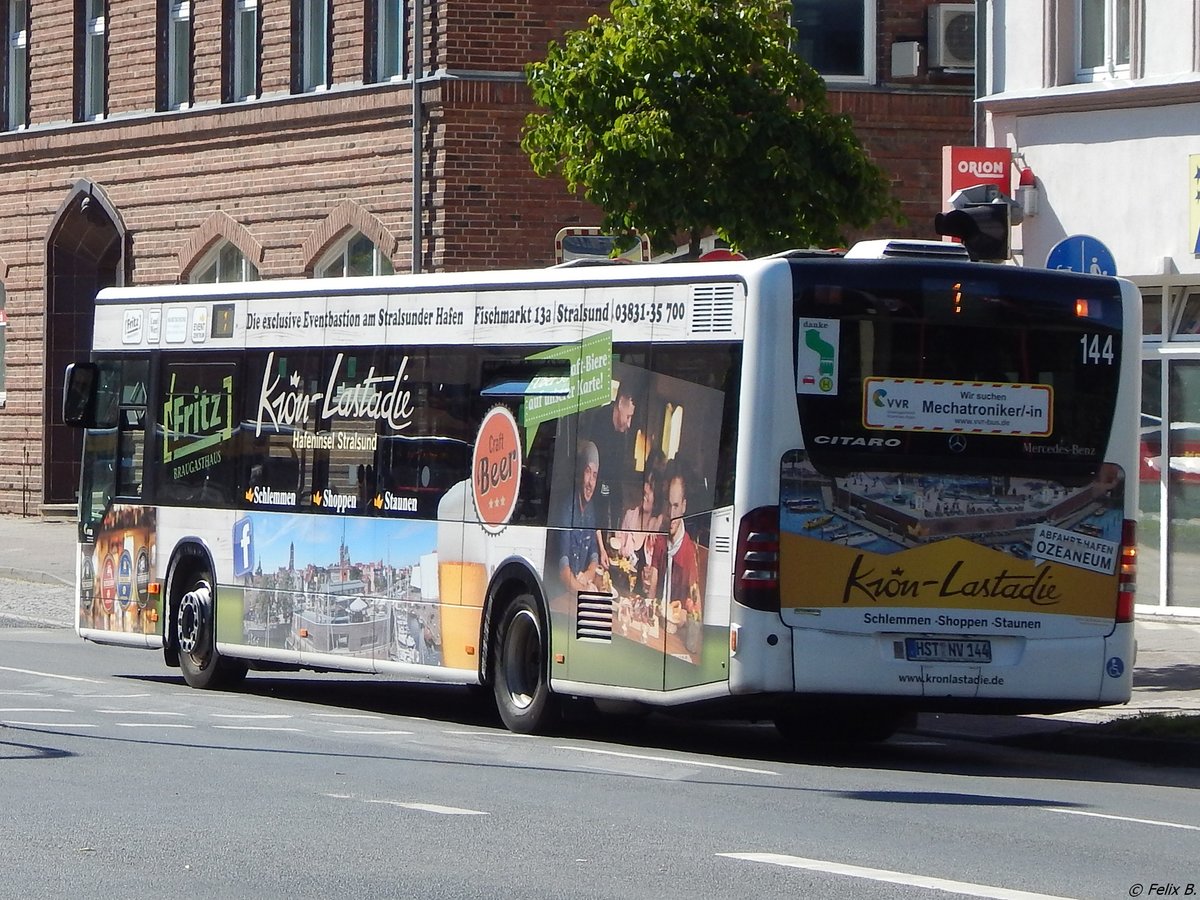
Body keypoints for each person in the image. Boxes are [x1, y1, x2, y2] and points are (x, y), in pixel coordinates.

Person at [643, 469, 701, 622]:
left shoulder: (689, 551)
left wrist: (685, 616)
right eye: (669, 505)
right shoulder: (661, 541)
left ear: (684, 506)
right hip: (658, 623)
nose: (672, 513)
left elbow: (696, 608)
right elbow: (652, 591)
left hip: (676, 631)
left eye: (676, 506)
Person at [553, 441, 603, 594]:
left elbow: (594, 554)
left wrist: (588, 574)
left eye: (594, 476)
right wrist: (585, 591)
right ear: (580, 473)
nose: (590, 483)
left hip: (578, 589)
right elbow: (563, 571)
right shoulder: (567, 508)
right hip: (560, 595)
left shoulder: (591, 509)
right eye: (588, 472)